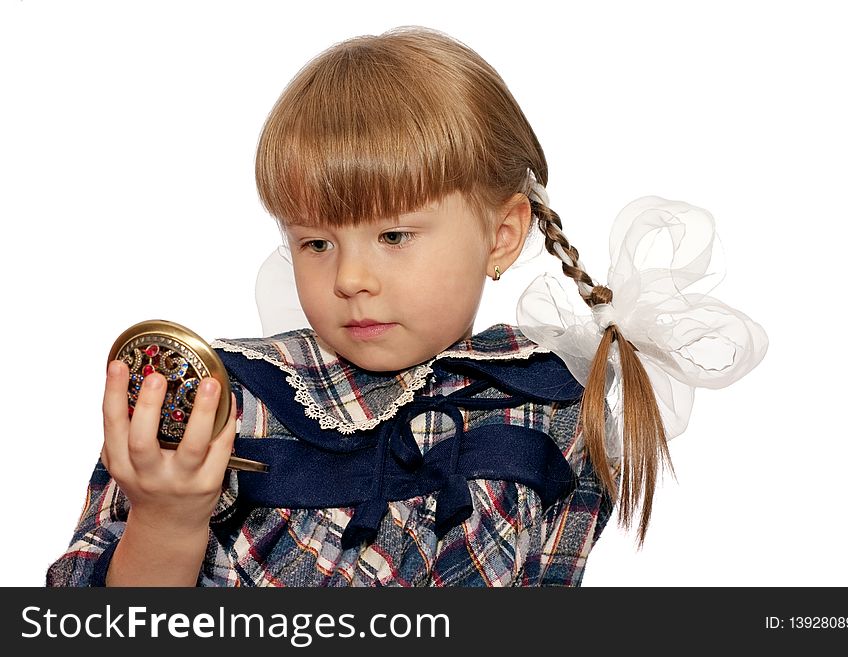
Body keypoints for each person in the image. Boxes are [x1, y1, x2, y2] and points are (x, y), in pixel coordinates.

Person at [46, 26, 767, 587]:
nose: (352, 276)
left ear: (503, 234)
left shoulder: (552, 414)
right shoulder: (224, 403)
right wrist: (168, 519)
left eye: (394, 234)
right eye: (316, 242)